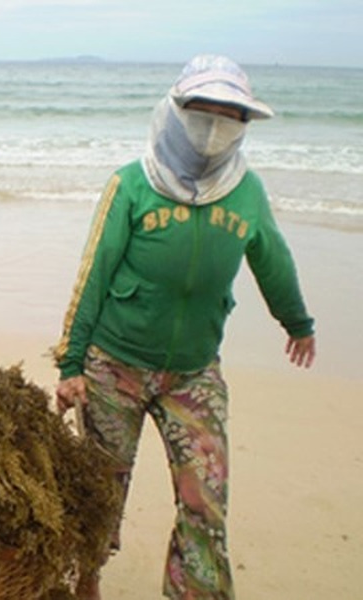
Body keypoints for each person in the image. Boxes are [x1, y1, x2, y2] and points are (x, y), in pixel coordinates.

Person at [53, 55, 316, 600]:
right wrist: (72, 363)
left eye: (231, 114)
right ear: (177, 111)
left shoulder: (246, 192)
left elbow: (272, 259)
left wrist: (296, 321)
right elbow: (93, 273)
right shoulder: (131, 185)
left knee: (205, 503)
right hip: (114, 369)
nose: (216, 124)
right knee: (102, 491)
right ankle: (87, 580)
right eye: (204, 110)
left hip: (194, 376)